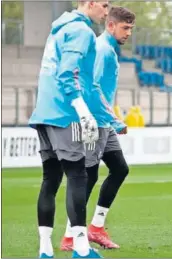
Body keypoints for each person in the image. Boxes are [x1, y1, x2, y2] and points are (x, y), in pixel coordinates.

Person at [28, 1, 109, 258]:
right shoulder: (81, 31)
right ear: (90, 3)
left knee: (50, 180)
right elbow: (67, 73)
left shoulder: (58, 30)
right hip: (64, 114)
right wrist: (83, 111)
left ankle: (45, 249)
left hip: (44, 112)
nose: (106, 12)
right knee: (77, 176)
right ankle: (82, 250)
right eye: (104, 5)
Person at [59, 6, 135, 251]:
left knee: (119, 169)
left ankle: (96, 227)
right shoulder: (103, 50)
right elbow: (92, 89)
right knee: (87, 177)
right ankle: (71, 235)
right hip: (95, 123)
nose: (128, 33)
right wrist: (114, 119)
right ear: (110, 25)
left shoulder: (109, 49)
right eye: (125, 28)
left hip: (104, 122)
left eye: (131, 29)